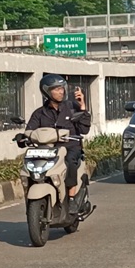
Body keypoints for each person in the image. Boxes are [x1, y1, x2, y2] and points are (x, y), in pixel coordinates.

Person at [26, 74, 91, 214]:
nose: (61, 91)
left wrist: (83, 108)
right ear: (47, 91)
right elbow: (29, 131)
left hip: (70, 147)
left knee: (70, 161)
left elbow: (84, 130)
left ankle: (72, 198)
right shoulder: (39, 113)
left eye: (62, 88)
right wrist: (22, 137)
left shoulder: (72, 107)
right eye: (56, 89)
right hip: (48, 150)